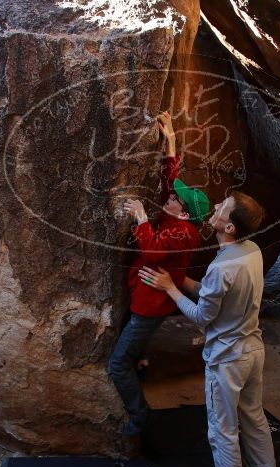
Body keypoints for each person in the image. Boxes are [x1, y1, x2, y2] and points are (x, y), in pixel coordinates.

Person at [138, 191, 277, 467]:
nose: (215, 207)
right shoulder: (251, 250)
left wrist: (170, 289)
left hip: (227, 359)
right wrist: (180, 279)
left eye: (223, 208)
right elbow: (215, 292)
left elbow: (202, 316)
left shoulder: (221, 267)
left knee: (222, 425)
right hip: (253, 350)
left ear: (230, 228)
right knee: (252, 412)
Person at [108, 111, 210, 437]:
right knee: (133, 350)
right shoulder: (176, 217)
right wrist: (171, 141)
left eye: (176, 199)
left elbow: (151, 250)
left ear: (184, 212)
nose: (170, 196)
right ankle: (142, 363)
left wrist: (140, 217)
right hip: (143, 296)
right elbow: (170, 181)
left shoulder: (184, 234)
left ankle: (140, 418)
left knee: (117, 364)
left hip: (149, 306)